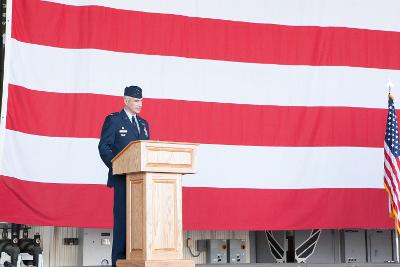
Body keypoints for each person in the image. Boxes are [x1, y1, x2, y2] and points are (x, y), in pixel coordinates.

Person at [98, 85, 150, 267]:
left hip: (142, 183)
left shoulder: (144, 124)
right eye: (136, 100)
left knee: (140, 225)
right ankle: (118, 263)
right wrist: (117, 167)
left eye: (141, 100)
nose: (140, 104)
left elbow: (146, 153)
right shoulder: (114, 120)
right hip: (122, 180)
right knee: (122, 225)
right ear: (125, 101)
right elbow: (104, 147)